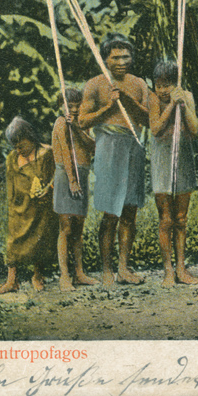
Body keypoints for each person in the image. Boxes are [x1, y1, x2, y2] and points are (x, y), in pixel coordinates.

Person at [79, 33, 151, 287]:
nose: (122, 61)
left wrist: (128, 100)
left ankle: (124, 268)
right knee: (111, 212)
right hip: (108, 146)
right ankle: (106, 268)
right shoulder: (96, 84)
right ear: (106, 59)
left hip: (134, 144)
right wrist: (109, 108)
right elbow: (82, 121)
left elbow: (150, 119)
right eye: (116, 57)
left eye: (126, 56)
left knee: (130, 210)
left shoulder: (139, 83)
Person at [149, 60, 198, 287]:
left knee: (181, 218)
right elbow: (156, 129)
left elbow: (194, 130)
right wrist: (171, 105)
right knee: (166, 219)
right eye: (159, 85)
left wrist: (182, 105)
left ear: (176, 83)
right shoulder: (154, 100)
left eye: (167, 85)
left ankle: (181, 268)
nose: (162, 90)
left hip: (182, 156)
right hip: (161, 157)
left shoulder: (186, 96)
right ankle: (168, 270)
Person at [0, 117, 58, 294]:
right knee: (14, 240)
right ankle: (11, 280)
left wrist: (48, 189)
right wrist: (12, 208)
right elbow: (10, 185)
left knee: (40, 238)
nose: (18, 149)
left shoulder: (46, 154)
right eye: (15, 146)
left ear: (31, 138)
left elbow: (57, 175)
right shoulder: (12, 159)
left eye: (21, 145)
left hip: (41, 205)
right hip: (19, 206)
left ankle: (37, 275)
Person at [51, 88, 97, 291]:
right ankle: (65, 275)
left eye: (78, 105)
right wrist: (71, 180)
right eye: (71, 106)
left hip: (83, 173)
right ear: (62, 106)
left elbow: (92, 146)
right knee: (66, 228)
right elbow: (65, 154)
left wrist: (77, 128)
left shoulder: (82, 124)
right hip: (66, 177)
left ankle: (79, 272)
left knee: (78, 228)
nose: (76, 109)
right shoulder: (61, 123)